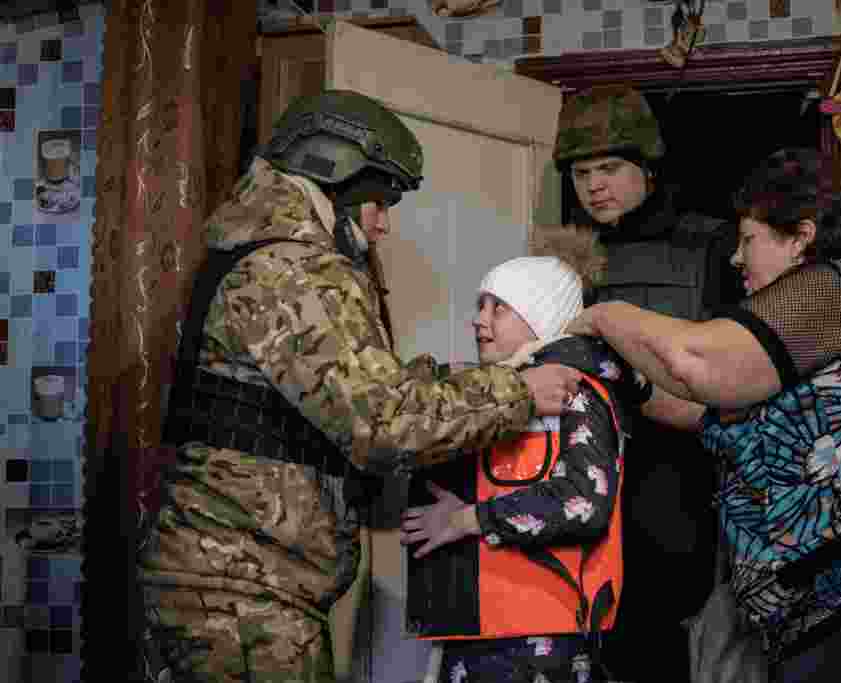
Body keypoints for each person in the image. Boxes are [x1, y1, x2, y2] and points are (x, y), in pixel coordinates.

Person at [136, 90, 583, 683]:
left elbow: (350, 391)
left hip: (227, 578)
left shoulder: (253, 253)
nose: (382, 224)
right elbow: (383, 423)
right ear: (334, 172)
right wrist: (518, 393)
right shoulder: (296, 270)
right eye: (379, 200)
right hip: (243, 587)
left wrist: (467, 381)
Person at [565, 148, 841, 680]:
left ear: (800, 238)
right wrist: (614, 374)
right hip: (833, 603)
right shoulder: (789, 345)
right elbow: (696, 406)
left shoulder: (828, 286)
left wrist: (602, 314)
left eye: (749, 240)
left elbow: (694, 362)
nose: (736, 258)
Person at [401, 244, 641, 683]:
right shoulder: (502, 394)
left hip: (540, 638)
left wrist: (465, 520)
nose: (479, 319)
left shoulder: (575, 390)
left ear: (541, 317)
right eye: (480, 306)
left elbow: (584, 503)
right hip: (488, 630)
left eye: (500, 308)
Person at [552, 84, 728, 681]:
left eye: (610, 168)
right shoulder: (561, 253)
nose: (594, 185)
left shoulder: (710, 244)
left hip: (676, 478)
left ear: (647, 171)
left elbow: (739, 376)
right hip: (582, 472)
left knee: (665, 643)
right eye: (581, 173)